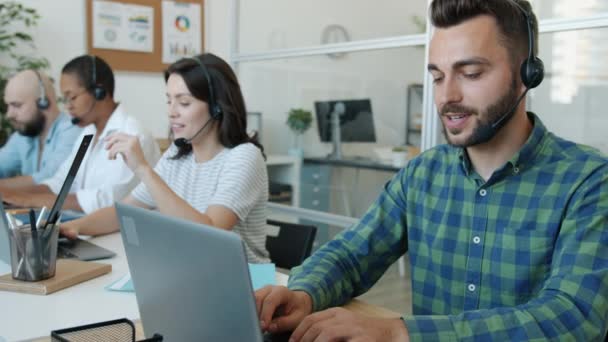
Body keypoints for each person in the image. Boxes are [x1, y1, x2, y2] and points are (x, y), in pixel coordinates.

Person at [255, 0, 608, 340]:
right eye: (438, 77)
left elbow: (574, 316)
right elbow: (351, 254)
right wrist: (305, 294)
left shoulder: (588, 181)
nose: (445, 96)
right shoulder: (423, 174)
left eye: (470, 73)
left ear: (527, 74)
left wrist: (401, 332)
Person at [60, 53, 271, 263]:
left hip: (244, 280)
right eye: (169, 101)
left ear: (217, 107)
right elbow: (122, 213)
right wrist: (72, 227)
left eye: (184, 102)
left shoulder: (244, 157)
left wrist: (143, 169)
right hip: (190, 271)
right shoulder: (177, 156)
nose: (171, 112)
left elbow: (210, 235)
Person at [0, 55, 160, 213]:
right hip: (85, 226)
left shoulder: (132, 135)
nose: (68, 106)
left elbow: (105, 201)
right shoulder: (88, 132)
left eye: (72, 97)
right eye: (65, 99)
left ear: (99, 91)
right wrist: (12, 196)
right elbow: (61, 183)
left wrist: (23, 199)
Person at [0, 69, 81, 188]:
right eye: (8, 105)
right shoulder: (24, 133)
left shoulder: (72, 129)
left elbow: (49, 180)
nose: (9, 114)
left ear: (44, 102)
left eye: (16, 105)